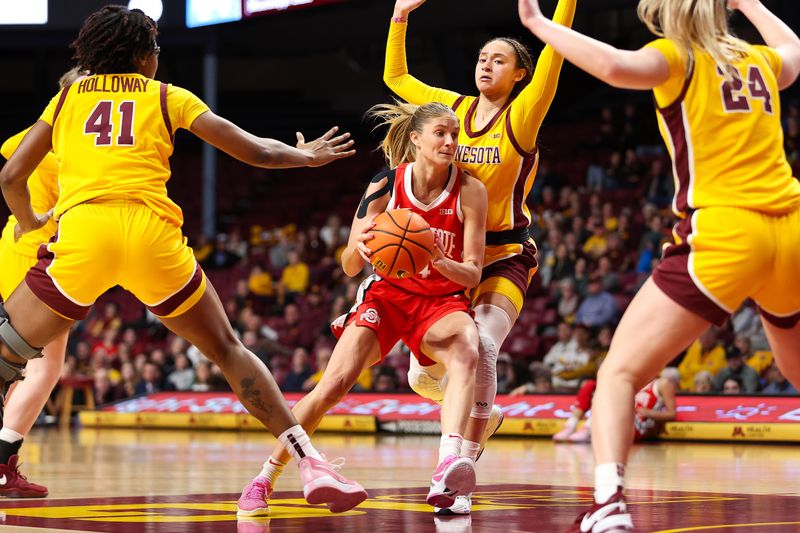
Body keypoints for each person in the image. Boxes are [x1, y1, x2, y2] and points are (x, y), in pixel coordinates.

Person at [0, 5, 366, 513]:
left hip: (86, 235)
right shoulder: (168, 95)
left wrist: (31, 220)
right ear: (137, 54)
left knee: (6, 351)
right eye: (153, 46)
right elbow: (254, 152)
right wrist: (305, 157)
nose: (156, 55)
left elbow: (11, 176)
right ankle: (310, 462)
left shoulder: (64, 100)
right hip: (152, 237)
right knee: (227, 350)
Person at [518, 0, 800, 530]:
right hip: (792, 228)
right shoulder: (756, 60)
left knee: (618, 375)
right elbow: (795, 52)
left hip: (728, 230)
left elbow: (613, 66)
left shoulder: (677, 57)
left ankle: (608, 506)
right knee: (797, 369)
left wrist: (538, 24)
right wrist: (752, 4)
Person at [237, 101, 488, 517]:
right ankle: (264, 479)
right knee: (332, 385)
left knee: (467, 348)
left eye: (455, 134)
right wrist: (362, 242)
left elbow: (473, 274)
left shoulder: (471, 189)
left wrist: (441, 260)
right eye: (440, 133)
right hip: (387, 296)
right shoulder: (384, 184)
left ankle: (447, 463)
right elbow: (350, 265)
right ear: (416, 139)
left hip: (442, 299)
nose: (450, 141)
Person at [385, 0, 576, 514]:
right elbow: (397, 77)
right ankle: (475, 412)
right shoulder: (453, 112)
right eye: (481, 57)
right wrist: (400, 14)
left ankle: (457, 471)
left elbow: (556, 52)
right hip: (450, 256)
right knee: (423, 376)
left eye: (498, 59)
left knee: (485, 348)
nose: (485, 64)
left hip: (506, 254)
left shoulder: (523, 114)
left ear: (519, 74)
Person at [0, 68, 86, 498]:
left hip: (12, 245)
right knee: (45, 365)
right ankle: (2, 462)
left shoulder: (29, 136)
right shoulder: (72, 145)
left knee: (14, 365)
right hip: (43, 250)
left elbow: (9, 160)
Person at [552, 367, 680, 443]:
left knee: (611, 392)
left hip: (640, 425)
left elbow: (672, 414)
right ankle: (572, 425)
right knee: (590, 385)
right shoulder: (634, 381)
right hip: (621, 418)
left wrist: (648, 413)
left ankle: (590, 428)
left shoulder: (662, 383)